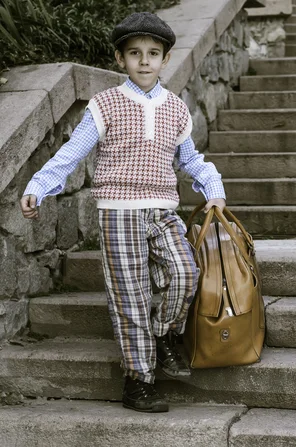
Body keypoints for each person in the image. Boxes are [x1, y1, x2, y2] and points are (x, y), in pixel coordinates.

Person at [19, 12, 226, 413]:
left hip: (163, 210)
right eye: (135, 53)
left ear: (165, 59)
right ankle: (138, 381)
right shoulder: (106, 104)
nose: (144, 61)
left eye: (153, 53)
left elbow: (191, 160)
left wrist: (213, 190)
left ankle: (164, 335)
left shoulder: (176, 108)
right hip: (118, 213)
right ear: (120, 59)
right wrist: (39, 186)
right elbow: (72, 152)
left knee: (185, 273)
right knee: (129, 297)